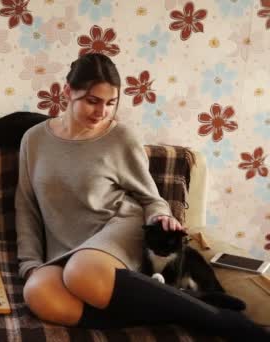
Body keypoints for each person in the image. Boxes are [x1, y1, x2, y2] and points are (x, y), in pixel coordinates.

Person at [16, 53, 268, 340]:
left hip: (118, 228)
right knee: (38, 293)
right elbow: (26, 207)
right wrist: (30, 264)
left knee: (80, 272)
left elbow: (150, 197)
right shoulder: (34, 140)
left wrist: (161, 215)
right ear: (67, 92)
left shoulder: (120, 137)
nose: (102, 112)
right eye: (92, 101)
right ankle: (177, 303)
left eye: (111, 103)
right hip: (65, 245)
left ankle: (221, 321)